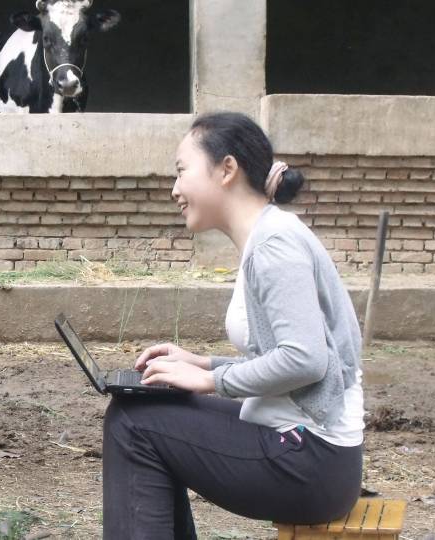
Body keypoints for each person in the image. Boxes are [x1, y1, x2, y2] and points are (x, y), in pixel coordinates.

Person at [102, 112, 364, 539]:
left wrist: (211, 380)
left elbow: (306, 360)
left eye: (181, 171)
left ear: (226, 169)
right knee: (143, 408)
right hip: (307, 447)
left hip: (311, 461)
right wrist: (201, 363)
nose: (174, 189)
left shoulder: (274, 246)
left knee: (133, 425)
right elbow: (281, 355)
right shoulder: (267, 236)